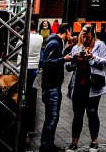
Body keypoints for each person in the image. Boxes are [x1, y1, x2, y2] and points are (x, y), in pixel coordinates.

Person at [64, 24, 106, 150]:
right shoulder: (77, 47)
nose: (85, 40)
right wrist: (74, 60)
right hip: (78, 85)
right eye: (83, 37)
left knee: (92, 113)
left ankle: (94, 141)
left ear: (93, 36)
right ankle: (74, 142)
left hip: (94, 85)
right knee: (77, 114)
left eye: (88, 37)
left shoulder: (99, 45)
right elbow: (68, 67)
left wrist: (93, 57)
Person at [38, 21, 65, 152]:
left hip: (53, 85)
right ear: (68, 31)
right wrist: (64, 59)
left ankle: (49, 143)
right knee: (52, 117)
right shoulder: (54, 43)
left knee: (53, 117)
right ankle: (45, 145)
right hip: (51, 86)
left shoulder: (56, 43)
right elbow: (47, 63)